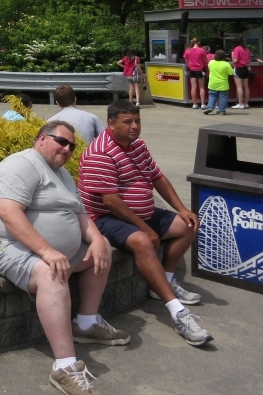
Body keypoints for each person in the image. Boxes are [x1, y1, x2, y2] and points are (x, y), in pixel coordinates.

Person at [0, 120, 127, 395]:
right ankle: (65, 367)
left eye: (72, 145)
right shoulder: (22, 164)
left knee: (98, 252)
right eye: (61, 141)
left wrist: (97, 239)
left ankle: (87, 323)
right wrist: (47, 251)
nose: (67, 148)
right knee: (51, 274)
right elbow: (9, 213)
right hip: (3, 245)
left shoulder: (63, 175)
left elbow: (81, 216)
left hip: (49, 251)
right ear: (42, 139)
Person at [78, 100, 213, 346]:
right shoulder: (100, 152)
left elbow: (157, 177)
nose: (135, 127)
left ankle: (166, 280)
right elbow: (111, 202)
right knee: (142, 241)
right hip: (107, 218)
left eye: (137, 121)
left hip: (142, 213)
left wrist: (182, 209)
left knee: (188, 224)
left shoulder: (138, 145)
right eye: (127, 122)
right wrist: (146, 228)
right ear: (111, 124)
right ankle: (179, 313)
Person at [202, 49, 234, 116]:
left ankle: (209, 107)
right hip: (223, 84)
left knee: (212, 96)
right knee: (223, 97)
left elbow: (210, 69)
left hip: (212, 83)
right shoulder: (226, 64)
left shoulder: (211, 62)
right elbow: (231, 73)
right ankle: (221, 111)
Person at [183, 38, 208, 110]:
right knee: (201, 87)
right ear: (199, 42)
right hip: (200, 69)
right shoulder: (202, 50)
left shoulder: (187, 50)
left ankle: (194, 104)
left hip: (191, 70)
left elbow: (186, 62)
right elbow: (205, 61)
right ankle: (203, 104)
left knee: (193, 88)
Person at [230, 39, 253, 110]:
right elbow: (249, 60)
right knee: (246, 86)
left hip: (238, 68)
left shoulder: (236, 49)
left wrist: (232, 56)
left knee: (239, 87)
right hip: (246, 68)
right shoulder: (247, 49)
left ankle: (240, 104)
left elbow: (235, 60)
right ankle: (246, 103)